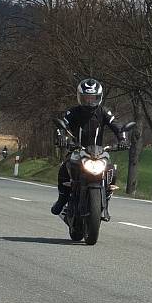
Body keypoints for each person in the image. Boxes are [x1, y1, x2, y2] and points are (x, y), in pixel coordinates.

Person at [50, 78, 127, 215]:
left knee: (111, 168)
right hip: (77, 149)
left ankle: (107, 194)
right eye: (86, 98)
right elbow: (62, 125)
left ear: (99, 97)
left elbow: (117, 125)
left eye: (93, 98)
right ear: (80, 97)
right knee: (64, 167)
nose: (90, 101)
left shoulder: (104, 112)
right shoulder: (72, 112)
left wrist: (122, 139)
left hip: (99, 151)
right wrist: (61, 137)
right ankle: (62, 199)